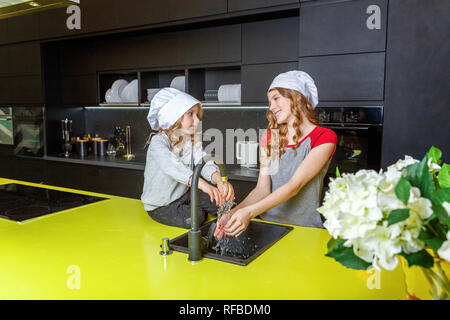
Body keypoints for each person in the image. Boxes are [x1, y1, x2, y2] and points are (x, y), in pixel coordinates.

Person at [214, 70, 337, 238]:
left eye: (276, 98)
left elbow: (294, 186)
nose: (271, 107)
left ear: (297, 97)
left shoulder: (324, 137)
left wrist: (249, 213)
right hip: (268, 226)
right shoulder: (270, 137)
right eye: (269, 101)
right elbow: (262, 189)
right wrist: (233, 213)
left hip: (305, 231)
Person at [141, 87, 234, 229]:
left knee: (223, 202)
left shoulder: (190, 140)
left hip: (184, 194)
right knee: (197, 217)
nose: (196, 120)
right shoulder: (158, 142)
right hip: (161, 205)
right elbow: (173, 167)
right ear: (174, 116)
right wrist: (204, 185)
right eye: (191, 114)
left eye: (197, 115)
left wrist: (218, 179)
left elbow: (203, 160)